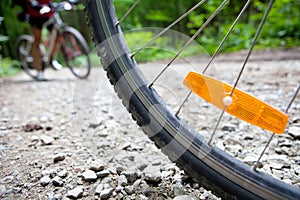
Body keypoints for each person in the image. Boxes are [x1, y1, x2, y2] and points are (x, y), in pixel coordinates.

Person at [25, 0, 62, 81]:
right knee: (37, 41)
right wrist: (33, 3)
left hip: (48, 13)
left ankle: (51, 59)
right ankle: (39, 71)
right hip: (35, 13)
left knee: (58, 36)